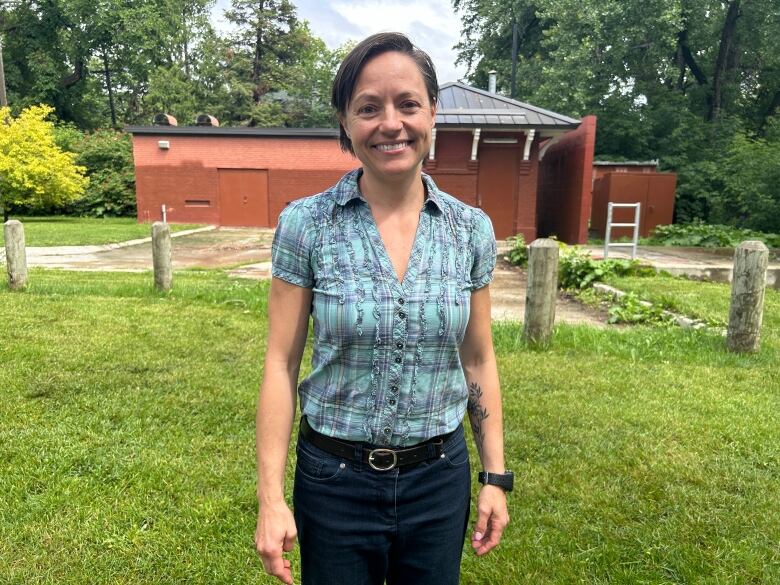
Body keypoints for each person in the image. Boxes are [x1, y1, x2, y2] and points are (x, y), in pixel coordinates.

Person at [254, 32, 511, 585]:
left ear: (433, 113)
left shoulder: (471, 231)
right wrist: (270, 499)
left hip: (439, 481)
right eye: (368, 108)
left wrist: (496, 475)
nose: (390, 123)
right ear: (346, 123)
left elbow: (479, 362)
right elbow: (280, 363)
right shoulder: (307, 225)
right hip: (333, 482)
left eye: (408, 104)